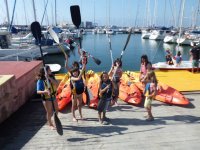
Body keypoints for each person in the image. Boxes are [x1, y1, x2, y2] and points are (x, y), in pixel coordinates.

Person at [36, 65, 59, 130]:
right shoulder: (40, 80)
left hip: (53, 96)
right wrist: (45, 91)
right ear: (45, 72)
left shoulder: (51, 77)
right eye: (49, 70)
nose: (51, 70)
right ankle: (50, 124)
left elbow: (56, 84)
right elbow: (38, 91)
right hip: (47, 99)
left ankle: (55, 122)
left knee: (56, 110)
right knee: (49, 112)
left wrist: (49, 78)